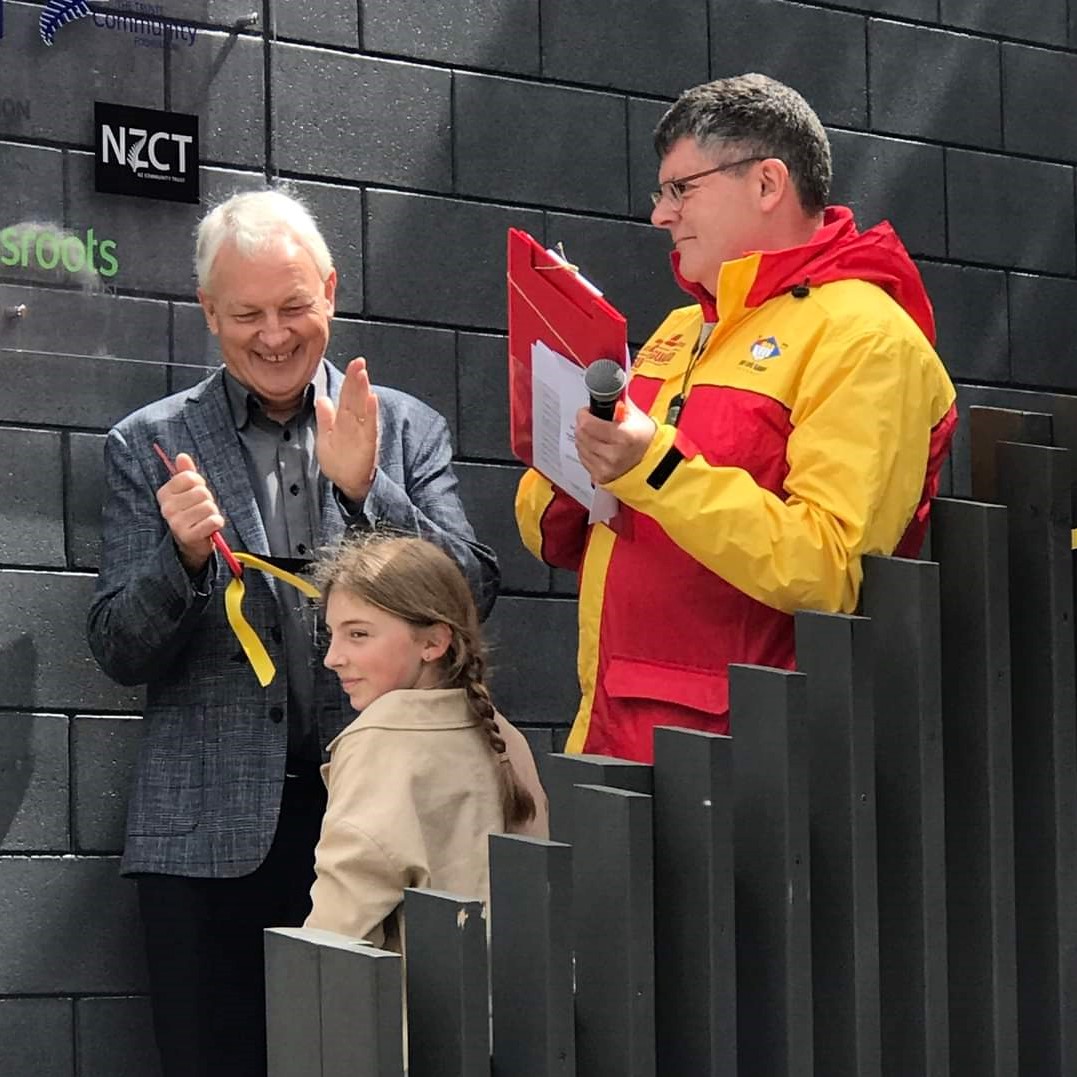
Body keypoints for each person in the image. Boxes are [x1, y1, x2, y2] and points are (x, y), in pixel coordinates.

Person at [86, 189, 499, 1077]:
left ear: (331, 293)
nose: (273, 335)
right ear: (207, 313)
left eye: (292, 306)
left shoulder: (403, 426)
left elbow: (470, 595)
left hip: (381, 820)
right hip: (205, 843)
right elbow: (118, 648)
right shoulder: (145, 443)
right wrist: (184, 559)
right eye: (245, 314)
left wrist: (368, 496)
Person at [515, 73, 957, 764]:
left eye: (679, 188)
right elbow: (555, 536)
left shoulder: (867, 337)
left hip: (752, 768)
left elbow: (828, 569)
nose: (660, 215)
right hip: (613, 730)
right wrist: (570, 447)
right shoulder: (681, 327)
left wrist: (650, 466)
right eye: (660, 193)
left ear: (766, 182)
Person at [304, 534, 548, 947]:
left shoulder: (379, 740)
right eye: (332, 634)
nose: (333, 657)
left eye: (358, 634)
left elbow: (340, 929)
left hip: (415, 1006)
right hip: (516, 1000)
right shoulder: (502, 733)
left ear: (434, 642)